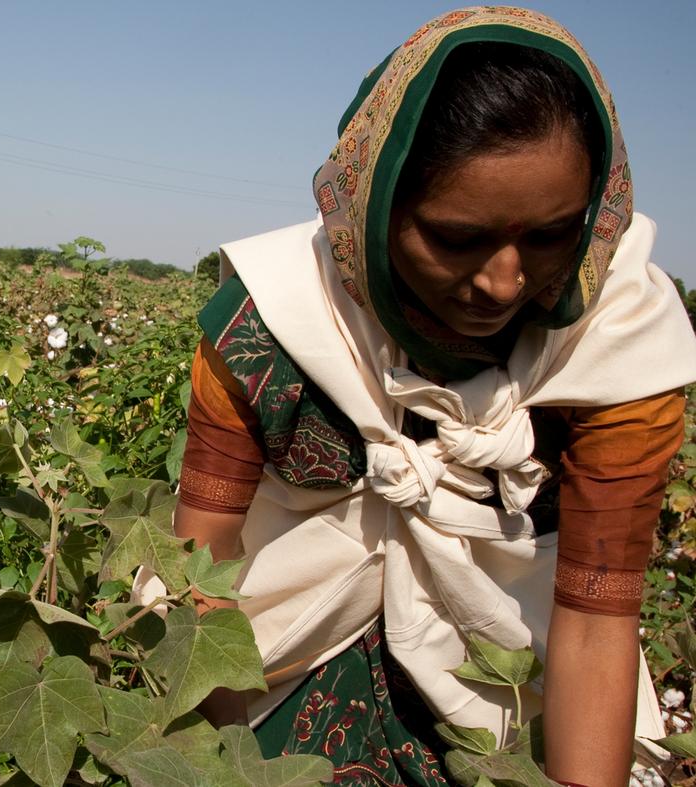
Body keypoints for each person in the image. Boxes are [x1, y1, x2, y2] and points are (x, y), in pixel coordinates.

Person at [168, 7, 696, 786]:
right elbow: (197, 575)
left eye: (550, 235)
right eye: (455, 238)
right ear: (373, 209)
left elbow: (593, 621)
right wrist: (231, 769)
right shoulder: (270, 321)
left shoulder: (619, 350)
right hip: (270, 681)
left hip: (516, 706)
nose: (503, 281)